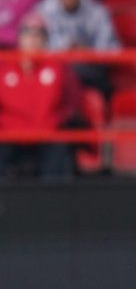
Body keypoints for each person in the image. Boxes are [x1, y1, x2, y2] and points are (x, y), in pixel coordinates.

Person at [0, 13, 82, 181]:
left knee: (59, 150)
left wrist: (58, 120)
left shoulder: (59, 69)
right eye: (28, 34)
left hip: (47, 132)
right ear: (19, 39)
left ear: (45, 40)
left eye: (39, 34)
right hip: (10, 133)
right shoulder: (4, 68)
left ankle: (55, 203)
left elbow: (72, 102)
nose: (33, 39)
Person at [34, 0, 119, 94]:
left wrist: (87, 52)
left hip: (90, 67)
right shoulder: (43, 11)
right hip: (56, 67)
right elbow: (38, 46)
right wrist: (67, 46)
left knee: (99, 82)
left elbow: (111, 49)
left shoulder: (97, 11)